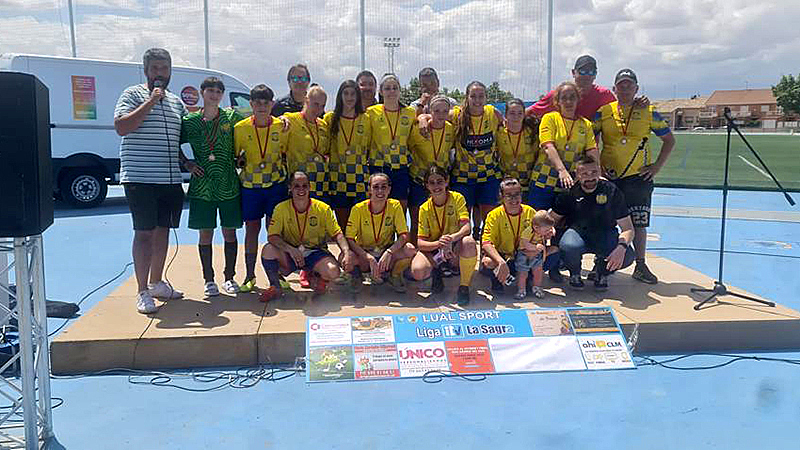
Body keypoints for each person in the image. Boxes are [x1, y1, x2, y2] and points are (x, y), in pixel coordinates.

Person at [114, 48, 186, 314]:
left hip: (169, 179)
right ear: (146, 71)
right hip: (140, 177)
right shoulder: (132, 94)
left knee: (163, 231)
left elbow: (174, 140)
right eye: (155, 68)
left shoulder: (177, 102)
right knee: (143, 233)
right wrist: (151, 101)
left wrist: (185, 161)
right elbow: (121, 126)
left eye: (164, 68)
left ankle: (157, 282)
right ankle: (142, 291)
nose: (160, 73)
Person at [593, 68, 675, 284]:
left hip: (638, 178)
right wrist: (596, 169)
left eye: (630, 84)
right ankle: (600, 262)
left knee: (639, 223)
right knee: (605, 220)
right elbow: (591, 140)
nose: (626, 88)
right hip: (609, 177)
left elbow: (669, 140)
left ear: (637, 88)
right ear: (614, 89)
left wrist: (656, 167)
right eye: (621, 84)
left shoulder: (648, 111)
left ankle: (640, 264)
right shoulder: (603, 112)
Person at [180, 76, 244, 297]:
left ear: (222, 95)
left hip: (228, 183)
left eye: (218, 91)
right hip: (202, 186)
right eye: (210, 91)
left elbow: (253, 129)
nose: (214, 95)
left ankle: (229, 277)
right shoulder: (189, 121)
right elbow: (173, 143)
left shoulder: (232, 117)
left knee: (229, 233)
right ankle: (208, 279)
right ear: (202, 92)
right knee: (205, 235)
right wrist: (187, 163)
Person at [259, 172, 354, 302]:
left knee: (333, 272)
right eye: (296, 186)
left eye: (304, 186)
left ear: (310, 187)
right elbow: (272, 236)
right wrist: (290, 249)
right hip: (291, 253)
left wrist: (346, 252)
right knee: (268, 250)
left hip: (315, 252)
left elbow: (337, 234)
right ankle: (275, 286)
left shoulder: (322, 208)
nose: (301, 189)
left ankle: (314, 276)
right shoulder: (281, 209)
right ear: (290, 188)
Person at [549, 155, 636, 291]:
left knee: (628, 255)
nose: (590, 177)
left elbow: (628, 228)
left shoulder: (611, 191)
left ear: (600, 172)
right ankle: (574, 273)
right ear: (577, 175)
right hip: (577, 233)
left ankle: (602, 272)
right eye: (584, 173)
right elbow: (552, 219)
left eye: (594, 172)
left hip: (605, 234)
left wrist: (622, 247)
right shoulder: (569, 192)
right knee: (568, 245)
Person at [234, 84, 290, 293]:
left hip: (275, 186)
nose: (261, 106)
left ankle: (277, 276)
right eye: (257, 102)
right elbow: (235, 155)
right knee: (251, 231)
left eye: (266, 102)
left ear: (272, 104)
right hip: (251, 187)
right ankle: (249, 275)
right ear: (251, 104)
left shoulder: (282, 126)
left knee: (274, 231)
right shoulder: (240, 128)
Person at [410, 165, 477, 306]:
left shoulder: (457, 198)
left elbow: (466, 227)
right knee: (418, 271)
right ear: (427, 186)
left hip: (454, 244)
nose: (436, 186)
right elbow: (420, 243)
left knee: (469, 242)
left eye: (439, 181)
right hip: (436, 247)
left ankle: (464, 287)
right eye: (432, 183)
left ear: (447, 181)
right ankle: (437, 270)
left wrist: (452, 239)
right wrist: (440, 244)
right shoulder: (424, 208)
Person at [528, 81, 599, 211]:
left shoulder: (586, 124)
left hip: (570, 184)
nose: (568, 102)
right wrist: (562, 171)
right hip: (543, 182)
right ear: (557, 101)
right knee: (538, 223)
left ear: (578, 100)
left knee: (564, 224)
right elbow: (548, 146)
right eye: (564, 98)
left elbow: (592, 150)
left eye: (572, 97)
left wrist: (596, 172)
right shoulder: (549, 118)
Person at [450, 81, 505, 238]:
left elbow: (508, 125)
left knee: (489, 220)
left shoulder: (492, 113)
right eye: (473, 96)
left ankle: (487, 258)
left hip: (488, 177)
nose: (477, 100)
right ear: (466, 97)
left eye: (481, 96)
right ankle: (462, 258)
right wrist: (424, 120)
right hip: (463, 177)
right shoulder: (456, 115)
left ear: (486, 98)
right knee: (461, 223)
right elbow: (433, 115)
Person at [345, 173, 417, 292]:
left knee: (410, 249)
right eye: (376, 187)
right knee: (346, 257)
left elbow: (404, 235)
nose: (380, 190)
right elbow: (350, 238)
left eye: (384, 187)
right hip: (365, 251)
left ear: (389, 189)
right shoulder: (358, 209)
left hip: (385, 251)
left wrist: (389, 252)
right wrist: (367, 256)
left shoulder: (395, 206)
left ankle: (394, 275)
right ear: (369, 189)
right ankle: (357, 276)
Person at [407, 94, 456, 243]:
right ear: (430, 111)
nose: (441, 115)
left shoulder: (451, 129)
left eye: (444, 111)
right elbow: (407, 147)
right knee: (416, 222)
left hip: (440, 183)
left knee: (442, 222)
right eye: (436, 111)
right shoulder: (419, 129)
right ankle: (415, 256)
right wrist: (422, 118)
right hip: (419, 181)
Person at [325, 80, 372, 229]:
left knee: (360, 223)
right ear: (340, 96)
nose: (349, 97)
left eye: (353, 94)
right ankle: (346, 252)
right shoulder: (330, 118)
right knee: (343, 224)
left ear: (358, 96)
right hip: (338, 178)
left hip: (360, 178)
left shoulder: (366, 119)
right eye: (346, 93)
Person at [480, 178, 537, 295]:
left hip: (523, 255)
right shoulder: (494, 215)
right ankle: (497, 280)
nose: (514, 199)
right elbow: (486, 243)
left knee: (552, 253)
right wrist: (501, 262)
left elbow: (540, 236)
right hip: (504, 257)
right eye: (509, 195)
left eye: (517, 194)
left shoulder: (530, 212)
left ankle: (528, 278)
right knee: (488, 261)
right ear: (501, 196)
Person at [366, 74, 416, 208]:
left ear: (400, 91)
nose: (391, 91)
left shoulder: (410, 112)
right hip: (379, 166)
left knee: (400, 209)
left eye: (395, 88)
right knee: (378, 207)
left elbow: (424, 118)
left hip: (401, 167)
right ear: (381, 92)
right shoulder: (371, 112)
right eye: (387, 88)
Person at [526, 55, 616, 120]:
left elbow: (620, 111)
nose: (587, 76)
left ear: (595, 75)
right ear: (573, 73)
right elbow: (528, 112)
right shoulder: (559, 94)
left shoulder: (604, 95)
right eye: (582, 72)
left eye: (591, 72)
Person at [284, 85, 330, 200]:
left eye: (322, 106)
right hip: (299, 185)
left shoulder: (323, 125)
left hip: (320, 184)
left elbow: (327, 152)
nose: (318, 109)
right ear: (306, 100)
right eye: (315, 104)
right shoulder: (291, 119)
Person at [496, 98, 539, 201]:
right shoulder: (499, 132)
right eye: (512, 113)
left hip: (529, 182)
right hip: (508, 183)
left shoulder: (532, 131)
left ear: (524, 114)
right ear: (505, 115)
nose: (516, 117)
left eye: (520, 113)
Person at [514, 211, 556, 300]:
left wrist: (551, 232)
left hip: (537, 255)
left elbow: (549, 230)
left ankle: (536, 287)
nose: (547, 231)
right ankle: (521, 290)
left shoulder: (541, 231)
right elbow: (525, 244)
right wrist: (535, 247)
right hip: (524, 255)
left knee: (538, 272)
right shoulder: (528, 232)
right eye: (546, 230)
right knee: (522, 273)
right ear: (536, 227)